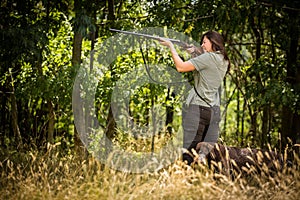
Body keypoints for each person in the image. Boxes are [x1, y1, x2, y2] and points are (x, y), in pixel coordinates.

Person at [159, 30, 230, 165]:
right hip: (213, 112)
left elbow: (181, 67)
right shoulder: (223, 59)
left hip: (198, 109)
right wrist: (192, 51)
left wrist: (171, 47)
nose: (202, 45)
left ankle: (188, 182)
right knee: (207, 154)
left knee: (189, 152)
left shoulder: (208, 58)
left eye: (205, 42)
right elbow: (205, 65)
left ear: (214, 43)